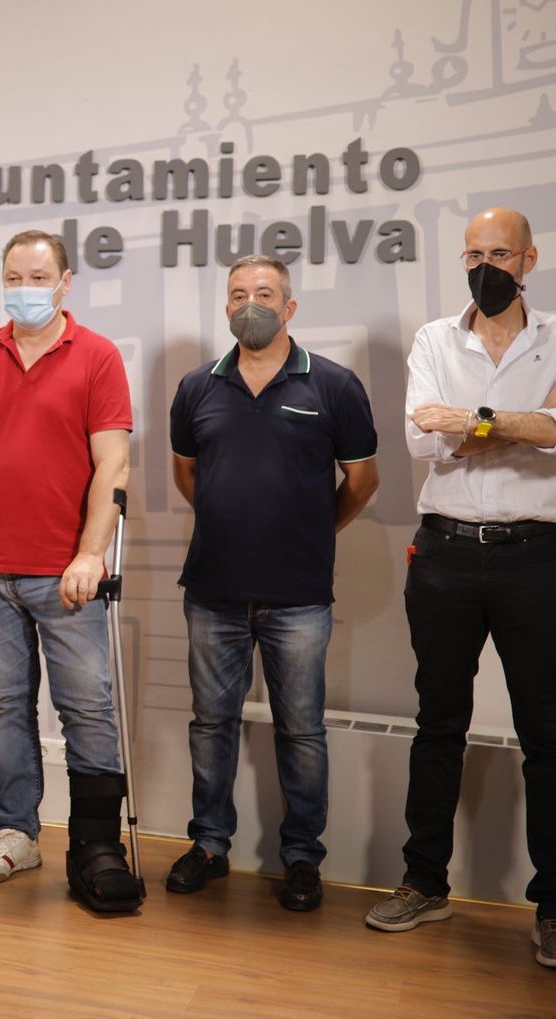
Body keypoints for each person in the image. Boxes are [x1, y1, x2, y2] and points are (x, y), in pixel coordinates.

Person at [365, 207, 556, 972]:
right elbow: (418, 437)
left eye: (499, 251)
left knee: (547, 731)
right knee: (438, 721)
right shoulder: (437, 338)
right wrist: (525, 420)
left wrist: (475, 420)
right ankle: (423, 881)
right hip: (444, 553)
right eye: (473, 252)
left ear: (529, 257)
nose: (485, 264)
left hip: (536, 557)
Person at [0, 229, 140, 913]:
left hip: (65, 570)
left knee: (88, 706)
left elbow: (114, 464)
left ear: (66, 281)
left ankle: (96, 842)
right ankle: (17, 829)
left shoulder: (97, 356)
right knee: (6, 704)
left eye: (39, 276)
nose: (26, 287)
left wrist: (90, 551)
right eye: (15, 275)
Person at [165, 254, 380, 912]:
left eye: (263, 293)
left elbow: (362, 482)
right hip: (213, 592)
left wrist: (313, 532)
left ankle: (301, 858)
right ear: (225, 307)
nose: (248, 303)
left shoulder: (335, 386)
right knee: (211, 725)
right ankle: (209, 844)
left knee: (301, 731)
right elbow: (187, 475)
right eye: (237, 294)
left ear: (289, 308)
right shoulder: (197, 387)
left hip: (299, 597)